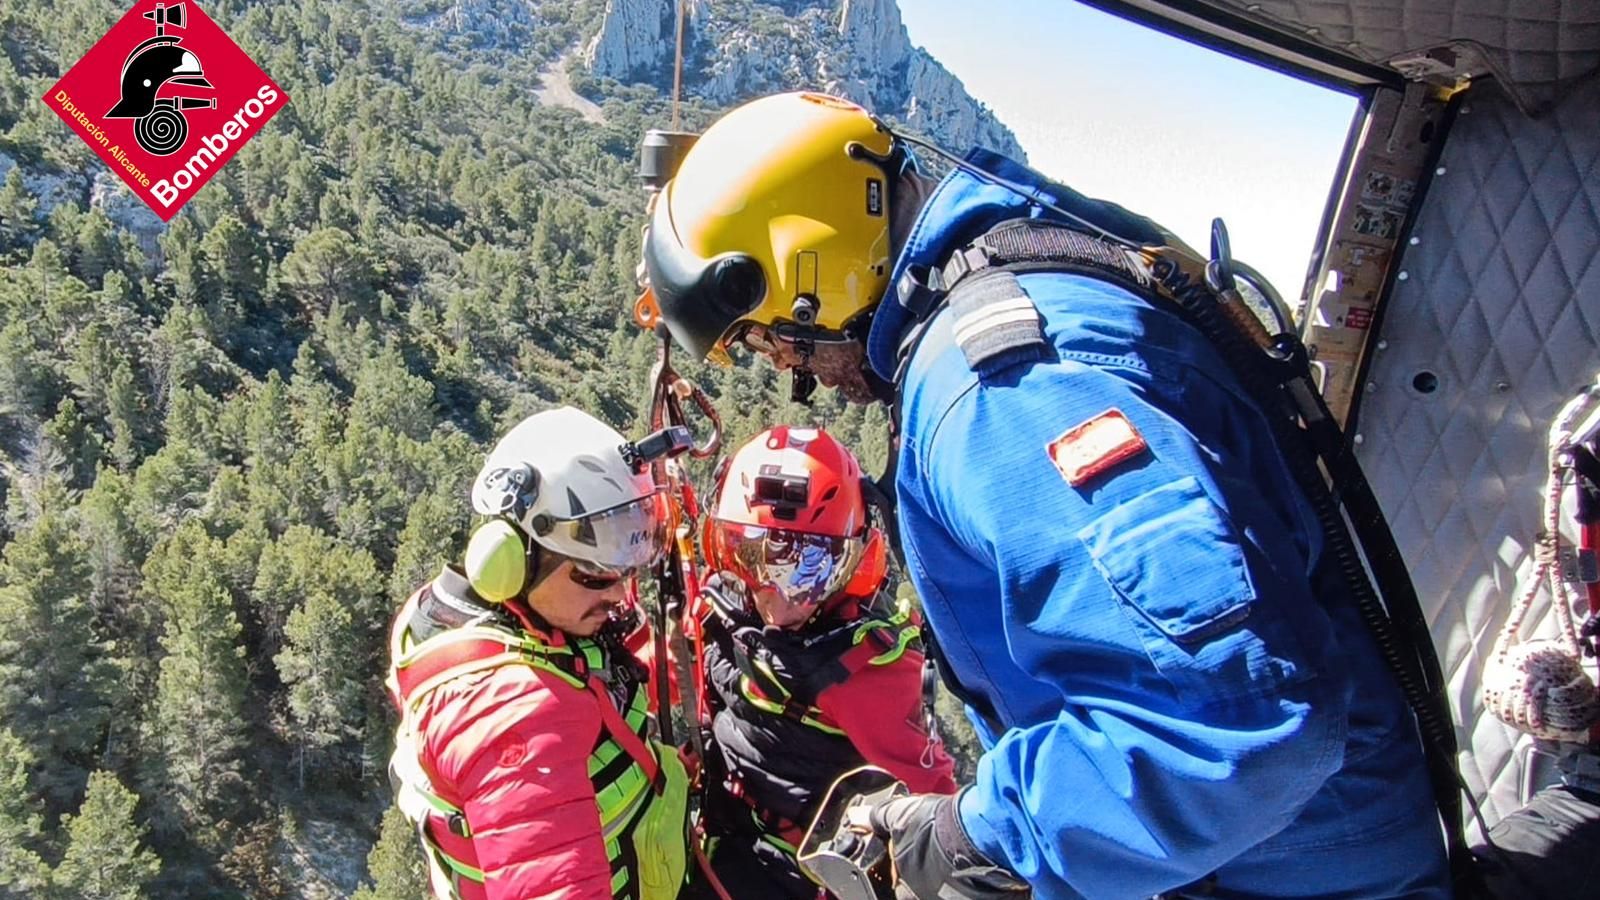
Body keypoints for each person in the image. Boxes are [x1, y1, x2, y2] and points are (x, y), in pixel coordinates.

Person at [638, 91, 1451, 898]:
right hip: (1270, 851)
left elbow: (1228, 721)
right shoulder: (1043, 276)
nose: (788, 365)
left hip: (1282, 874)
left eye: (770, 335)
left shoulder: (1006, 388)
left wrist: (973, 840)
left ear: (810, 269)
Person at [385, 406, 691, 900]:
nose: (619, 594)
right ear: (513, 560)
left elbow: (591, 692)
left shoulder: (462, 616)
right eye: (596, 577)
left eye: (626, 572)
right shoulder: (513, 715)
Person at [685, 425, 956, 899]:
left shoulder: (867, 670)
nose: (779, 597)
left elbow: (932, 797)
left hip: (794, 875)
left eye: (810, 570)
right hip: (716, 827)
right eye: (753, 559)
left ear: (852, 562)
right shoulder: (721, 602)